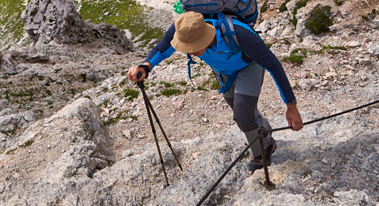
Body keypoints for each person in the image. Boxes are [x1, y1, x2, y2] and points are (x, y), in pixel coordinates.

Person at [127, 10, 303, 172]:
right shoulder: (183, 29)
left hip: (249, 66)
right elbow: (162, 48)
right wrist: (146, 66)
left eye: (193, 48)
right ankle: (266, 136)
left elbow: (273, 65)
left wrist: (291, 107)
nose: (192, 53)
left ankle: (262, 151)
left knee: (242, 116)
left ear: (205, 37)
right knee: (241, 110)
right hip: (222, 71)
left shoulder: (239, 34)